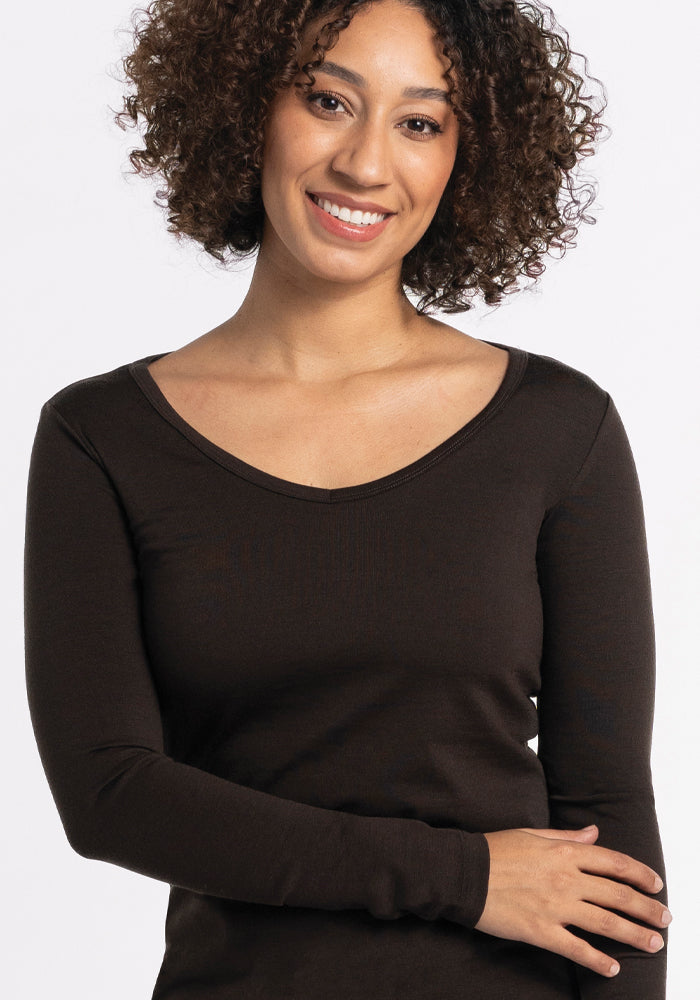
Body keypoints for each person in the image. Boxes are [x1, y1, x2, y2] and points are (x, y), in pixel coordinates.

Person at [23, 1, 670, 997]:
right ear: (246, 109)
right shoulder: (102, 437)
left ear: (468, 155)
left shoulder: (555, 427)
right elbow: (111, 792)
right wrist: (465, 878)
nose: (367, 164)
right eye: (328, 100)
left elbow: (607, 818)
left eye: (420, 122)